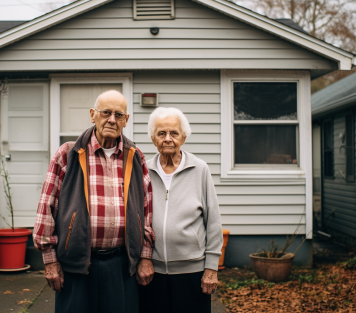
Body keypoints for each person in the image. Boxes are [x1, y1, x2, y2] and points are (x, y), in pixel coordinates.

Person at [33, 90, 155, 313]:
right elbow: (46, 207)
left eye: (119, 115)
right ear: (93, 115)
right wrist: (50, 261)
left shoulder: (135, 156)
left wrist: (145, 256)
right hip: (77, 265)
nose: (112, 119)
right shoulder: (68, 153)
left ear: (126, 120)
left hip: (122, 264)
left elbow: (146, 211)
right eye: (106, 112)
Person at [139, 107, 223, 313]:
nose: (168, 138)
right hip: (152, 271)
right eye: (161, 133)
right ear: (153, 139)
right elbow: (137, 220)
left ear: (183, 138)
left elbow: (213, 220)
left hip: (192, 271)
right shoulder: (143, 171)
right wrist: (143, 258)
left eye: (173, 133)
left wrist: (211, 268)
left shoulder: (200, 169)